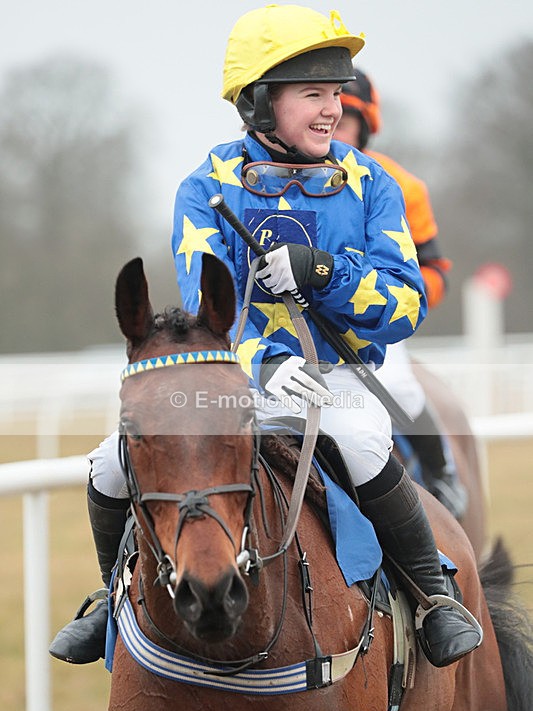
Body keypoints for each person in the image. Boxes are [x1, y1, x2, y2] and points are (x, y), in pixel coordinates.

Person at [49, 4, 481, 669]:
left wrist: (325, 272)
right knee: (110, 461)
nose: (332, 109)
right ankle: (112, 596)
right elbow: (201, 307)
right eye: (313, 94)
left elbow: (404, 304)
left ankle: (432, 598)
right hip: (232, 377)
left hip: (336, 375)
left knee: (364, 440)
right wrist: (262, 364)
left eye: (335, 93)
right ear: (256, 103)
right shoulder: (207, 186)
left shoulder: (371, 183)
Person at [334, 68, 467, 519]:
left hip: (377, 321)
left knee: (397, 388)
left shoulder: (402, 186)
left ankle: (442, 473)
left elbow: (435, 270)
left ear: (365, 127)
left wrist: (395, 303)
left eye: (344, 120)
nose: (332, 127)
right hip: (295, 325)